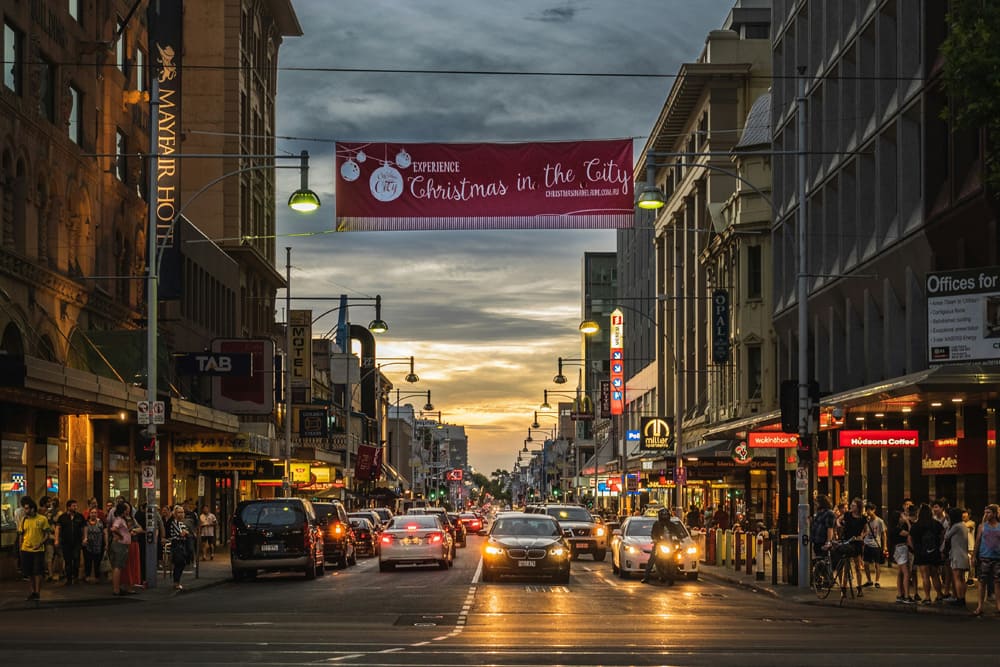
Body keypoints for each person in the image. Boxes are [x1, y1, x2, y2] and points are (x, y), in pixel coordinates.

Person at [908, 503, 944, 604]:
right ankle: (939, 595)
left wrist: (914, 549)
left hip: (921, 553)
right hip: (934, 552)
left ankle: (927, 597)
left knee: (925, 576)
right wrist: (938, 545)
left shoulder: (916, 525)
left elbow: (909, 539)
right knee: (935, 575)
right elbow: (943, 535)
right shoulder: (936, 524)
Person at [16, 496, 50, 601]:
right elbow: (21, 534)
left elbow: (46, 535)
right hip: (26, 549)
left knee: (37, 571)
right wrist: (20, 547)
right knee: (29, 572)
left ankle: (37, 592)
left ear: (32, 509)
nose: (25, 511)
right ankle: (32, 592)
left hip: (38, 550)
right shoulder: (24, 520)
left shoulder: (42, 519)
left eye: (27, 508)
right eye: (24, 508)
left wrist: (40, 544)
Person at [972, 503, 1000, 616]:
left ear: (994, 514)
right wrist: (974, 556)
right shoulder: (982, 526)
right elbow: (977, 542)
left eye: (988, 512)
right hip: (984, 557)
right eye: (985, 512)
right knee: (982, 582)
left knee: (998, 582)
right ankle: (980, 606)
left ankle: (998, 606)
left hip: (997, 558)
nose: (986, 514)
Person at [840, 498, 868, 597]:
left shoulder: (863, 518)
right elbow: (838, 520)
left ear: (859, 507)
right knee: (846, 567)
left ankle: (859, 588)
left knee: (857, 566)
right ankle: (843, 589)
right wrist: (841, 525)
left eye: (854, 505)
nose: (852, 506)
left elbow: (866, 530)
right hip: (848, 541)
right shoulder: (847, 515)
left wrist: (862, 536)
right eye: (851, 505)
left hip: (857, 542)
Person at [54, 498, 86, 585]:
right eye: (73, 506)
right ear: (68, 507)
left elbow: (84, 527)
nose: (75, 507)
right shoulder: (62, 517)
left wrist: (85, 538)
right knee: (67, 561)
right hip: (66, 542)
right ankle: (68, 579)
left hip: (77, 542)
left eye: (76, 506)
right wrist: (56, 539)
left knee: (76, 560)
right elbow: (58, 528)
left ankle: (75, 577)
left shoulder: (80, 516)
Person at [108, 501, 136, 596]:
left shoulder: (122, 519)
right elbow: (113, 529)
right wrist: (120, 536)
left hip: (123, 544)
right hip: (120, 545)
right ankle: (116, 589)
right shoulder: (119, 519)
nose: (127, 512)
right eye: (126, 510)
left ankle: (117, 588)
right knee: (117, 566)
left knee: (119, 566)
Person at [943, 507, 969, 606]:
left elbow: (946, 536)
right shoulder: (963, 526)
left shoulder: (956, 526)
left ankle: (959, 598)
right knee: (962, 579)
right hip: (963, 555)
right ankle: (962, 598)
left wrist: (949, 525)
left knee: (957, 578)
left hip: (957, 555)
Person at [887, 510, 913, 604]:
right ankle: (906, 596)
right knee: (906, 573)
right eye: (902, 517)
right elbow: (910, 533)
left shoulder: (893, 528)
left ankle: (900, 594)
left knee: (900, 573)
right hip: (901, 549)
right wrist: (907, 522)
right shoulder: (897, 529)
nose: (903, 518)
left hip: (898, 550)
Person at [641, 508, 673, 584]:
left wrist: (678, 538)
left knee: (674, 558)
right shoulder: (656, 524)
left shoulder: (671, 525)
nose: (665, 517)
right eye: (663, 515)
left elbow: (676, 532)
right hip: (659, 544)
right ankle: (646, 577)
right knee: (652, 559)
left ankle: (671, 574)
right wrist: (655, 539)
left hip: (669, 545)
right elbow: (653, 533)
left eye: (666, 515)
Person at [166, 505, 192, 591]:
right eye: (179, 512)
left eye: (182, 512)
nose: (181, 514)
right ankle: (176, 583)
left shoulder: (181, 523)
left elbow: (186, 532)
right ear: (175, 514)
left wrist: (185, 533)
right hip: (177, 544)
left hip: (182, 544)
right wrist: (184, 533)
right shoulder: (174, 522)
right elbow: (182, 533)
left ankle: (177, 582)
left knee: (182, 563)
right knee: (179, 563)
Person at [862, 502, 887, 589]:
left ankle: (877, 581)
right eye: (867, 509)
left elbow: (884, 534)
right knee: (866, 563)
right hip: (867, 544)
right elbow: (864, 531)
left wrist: (885, 546)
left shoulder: (880, 521)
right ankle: (869, 580)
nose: (868, 511)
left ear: (874, 510)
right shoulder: (866, 521)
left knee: (877, 564)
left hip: (876, 545)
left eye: (870, 509)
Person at [81, 508, 106, 583]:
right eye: (92, 512)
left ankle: (97, 576)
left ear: (97, 514)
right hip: (88, 545)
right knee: (87, 561)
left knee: (97, 561)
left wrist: (106, 543)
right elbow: (82, 532)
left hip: (98, 545)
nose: (93, 514)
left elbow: (105, 533)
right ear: (89, 514)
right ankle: (87, 576)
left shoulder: (101, 522)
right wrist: (84, 539)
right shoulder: (85, 523)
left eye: (95, 512)